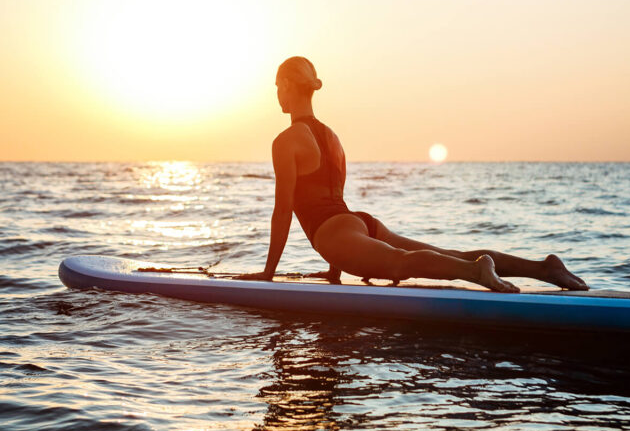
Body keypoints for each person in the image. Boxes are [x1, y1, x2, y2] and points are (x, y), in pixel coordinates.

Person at [236, 57, 589, 293]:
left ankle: (477, 273)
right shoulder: (332, 137)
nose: (276, 94)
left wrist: (268, 274)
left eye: (277, 85)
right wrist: (335, 269)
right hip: (357, 222)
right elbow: (327, 196)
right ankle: (543, 269)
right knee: (447, 251)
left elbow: (285, 210)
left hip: (332, 232)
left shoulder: (286, 141)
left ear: (287, 84)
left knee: (399, 265)